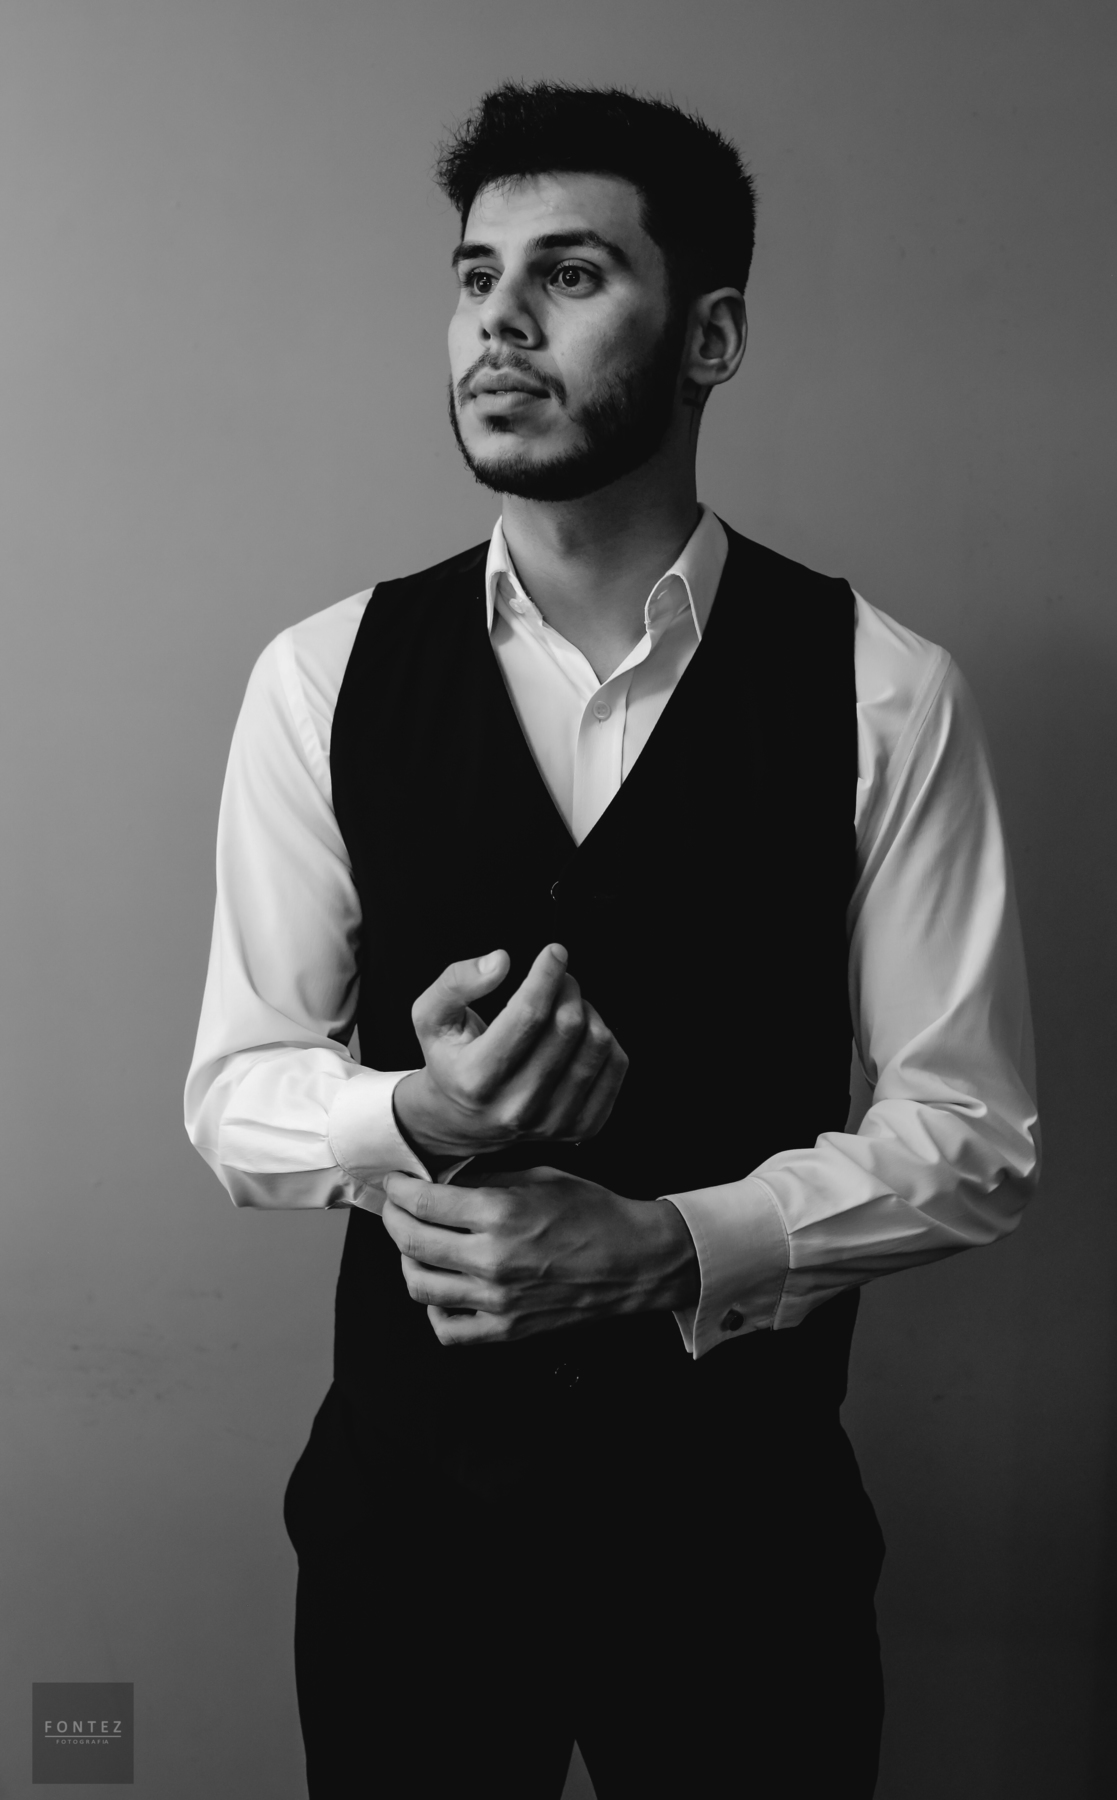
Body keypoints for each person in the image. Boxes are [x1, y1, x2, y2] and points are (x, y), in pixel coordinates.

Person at [185, 82, 1039, 1799]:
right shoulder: (321, 675)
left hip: (743, 1550)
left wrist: (667, 1248)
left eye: (569, 276)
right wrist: (418, 1110)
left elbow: (972, 1138)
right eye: (475, 276)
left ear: (710, 335)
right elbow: (234, 1093)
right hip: (408, 1542)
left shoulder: (885, 691)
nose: (498, 322)